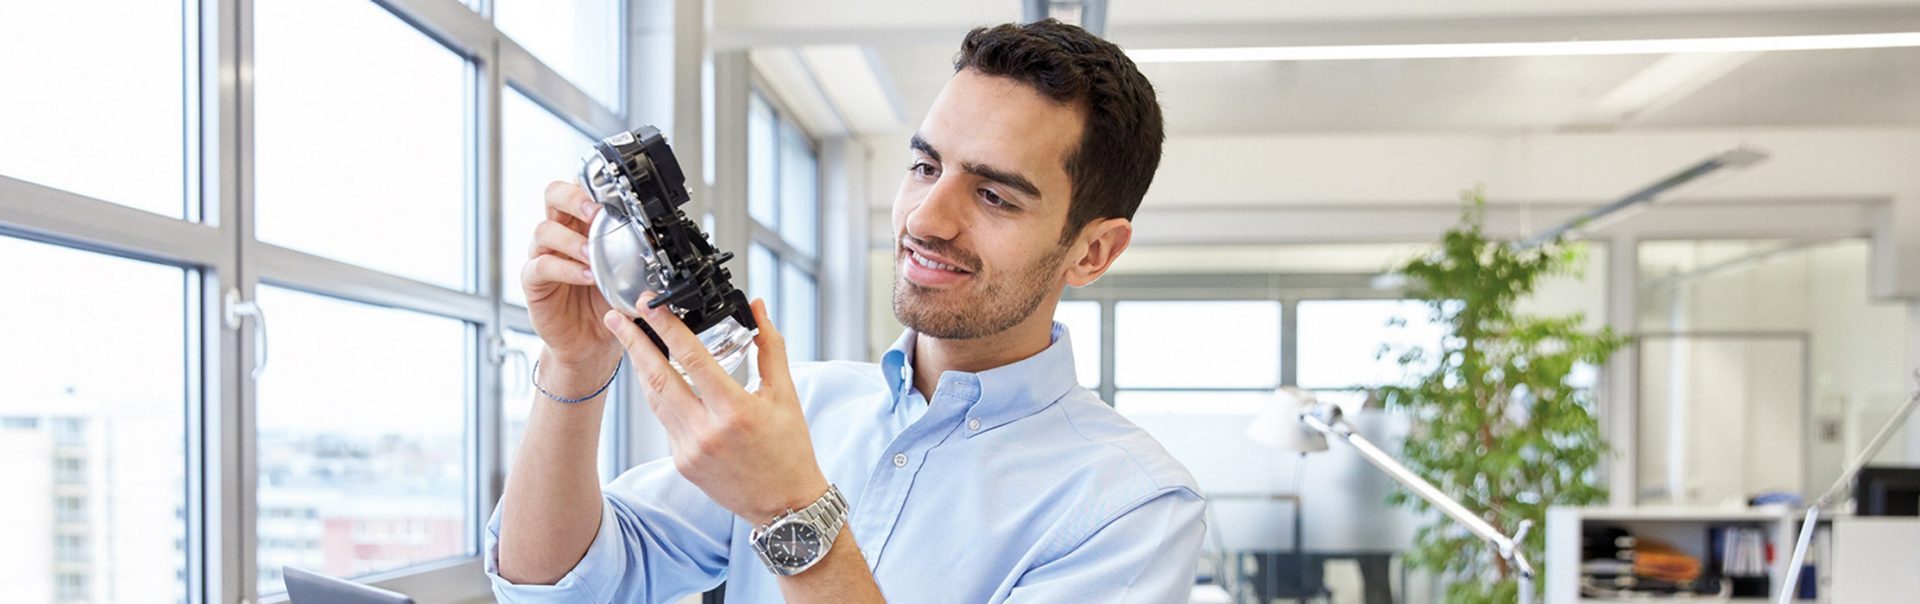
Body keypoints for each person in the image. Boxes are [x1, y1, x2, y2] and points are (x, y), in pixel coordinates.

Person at [487, 19, 1203, 603]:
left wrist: (790, 511)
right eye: (925, 167)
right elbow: (554, 585)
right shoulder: (806, 407)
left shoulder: (1132, 506)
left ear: (1093, 252)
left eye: (994, 196)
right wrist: (574, 362)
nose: (927, 219)